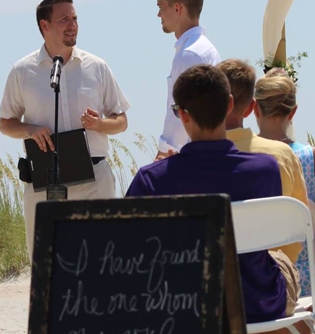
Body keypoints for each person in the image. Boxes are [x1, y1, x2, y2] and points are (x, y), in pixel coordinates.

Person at [126, 64, 299, 324]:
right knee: (276, 258)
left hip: (182, 307)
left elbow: (127, 249)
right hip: (259, 302)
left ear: (183, 115)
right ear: (230, 105)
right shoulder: (265, 170)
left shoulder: (152, 180)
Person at [0, 0, 130, 259]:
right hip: (45, 183)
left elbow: (122, 120)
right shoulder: (22, 71)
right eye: (64, 19)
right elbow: (6, 124)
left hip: (94, 179)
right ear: (44, 26)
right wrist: (30, 130)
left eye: (75, 18)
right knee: (46, 262)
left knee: (102, 258)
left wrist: (100, 124)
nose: (72, 25)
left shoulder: (97, 67)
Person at [217, 59, 308, 265]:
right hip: (276, 279)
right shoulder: (284, 156)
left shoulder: (199, 159)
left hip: (220, 277)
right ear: (251, 108)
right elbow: (302, 224)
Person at [255, 72, 315, 297]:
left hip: (254, 277)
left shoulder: (243, 157)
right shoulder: (310, 157)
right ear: (294, 111)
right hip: (304, 280)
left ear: (254, 108)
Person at [155, 0, 220, 159]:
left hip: (190, 156)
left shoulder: (189, 54)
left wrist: (163, 151)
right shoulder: (206, 48)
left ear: (177, 8)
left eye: (160, 7)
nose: (158, 15)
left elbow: (179, 111)